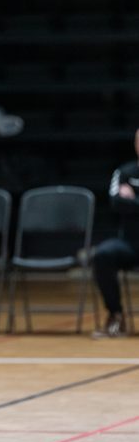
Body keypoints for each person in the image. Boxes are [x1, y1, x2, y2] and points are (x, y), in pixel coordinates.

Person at [92, 129, 139, 338]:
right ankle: (116, 315)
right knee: (103, 255)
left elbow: (125, 203)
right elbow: (115, 202)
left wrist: (132, 201)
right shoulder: (125, 171)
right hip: (130, 242)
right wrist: (125, 202)